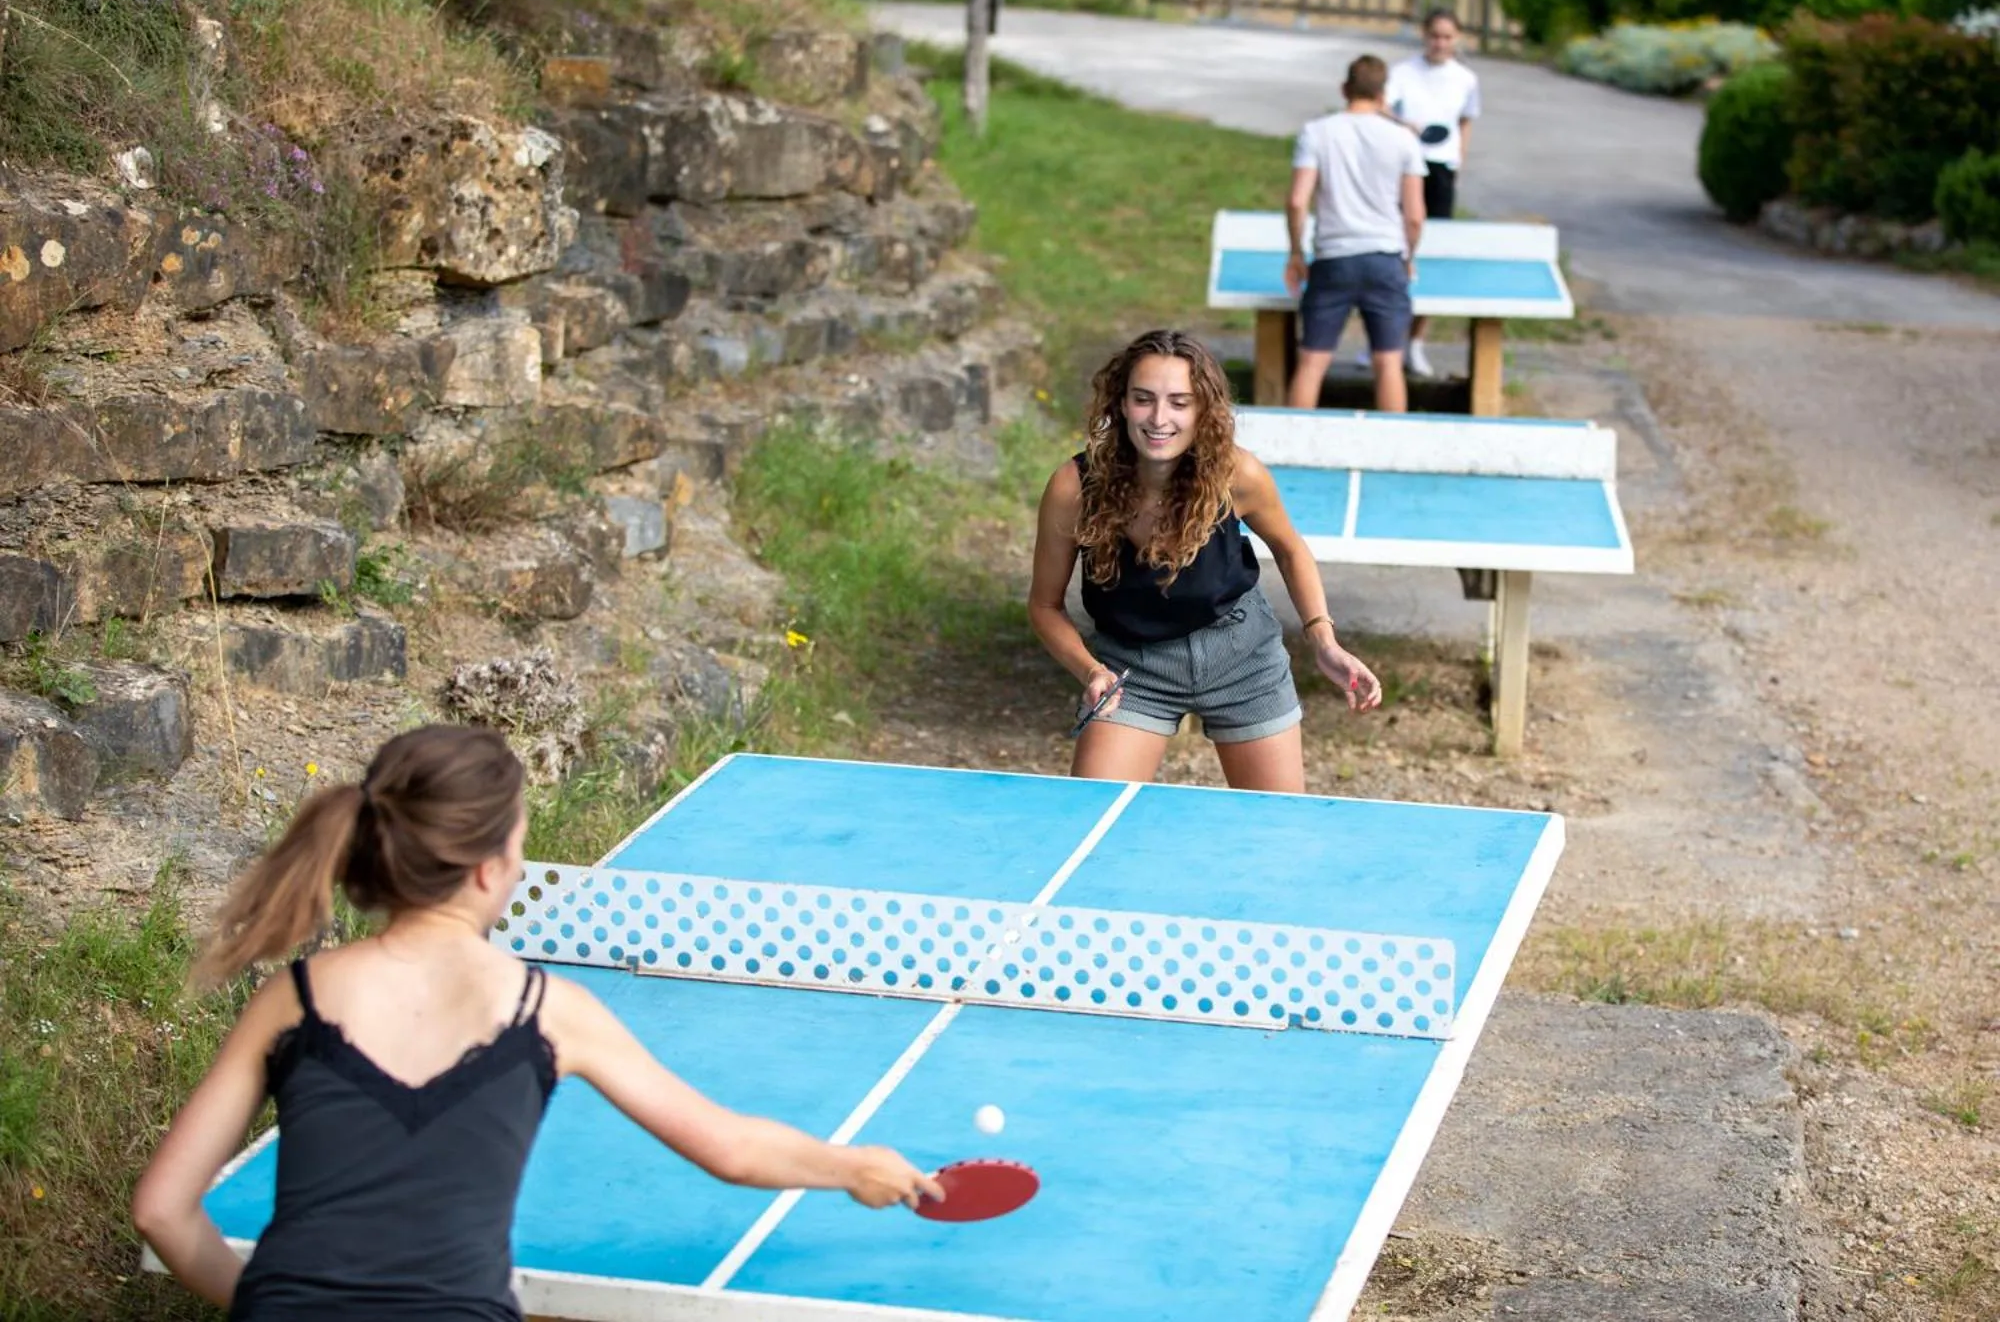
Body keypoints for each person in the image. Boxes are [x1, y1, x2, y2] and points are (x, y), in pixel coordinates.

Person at [132, 724, 942, 1321]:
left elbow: (160, 1209)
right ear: (490, 869)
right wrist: (852, 1165)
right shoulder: (547, 1010)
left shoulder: (294, 996)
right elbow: (730, 1148)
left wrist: (272, 1302)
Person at [1028, 330, 1384, 793]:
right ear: (1121, 403)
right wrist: (1090, 670)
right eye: (1143, 399)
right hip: (1132, 667)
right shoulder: (1074, 488)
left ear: (1203, 410)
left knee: (1273, 825)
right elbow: (1045, 606)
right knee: (1093, 814)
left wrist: (1323, 639)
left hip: (1242, 656)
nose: (1160, 418)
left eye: (1179, 402)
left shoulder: (1236, 474)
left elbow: (1290, 548)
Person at [1283, 55, 1428, 414]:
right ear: (1383, 94)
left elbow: (1297, 201)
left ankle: (1292, 442)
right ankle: (1394, 445)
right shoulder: (1404, 139)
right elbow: (1414, 217)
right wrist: (1408, 257)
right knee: (1389, 364)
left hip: (1333, 260)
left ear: (1344, 89)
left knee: (1312, 362)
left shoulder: (1316, 132)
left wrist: (1296, 253)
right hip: (1385, 258)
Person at [1387, 9, 1482, 378]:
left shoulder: (1466, 79)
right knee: (1393, 250)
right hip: (1406, 166)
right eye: (1435, 35)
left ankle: (1416, 342)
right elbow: (1381, 107)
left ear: (1457, 39)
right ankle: (1384, 340)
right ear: (1424, 35)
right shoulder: (1402, 72)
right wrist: (1404, 124)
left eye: (1447, 37)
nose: (1440, 43)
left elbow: (1466, 121)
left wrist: (1459, 159)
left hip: (1442, 169)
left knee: (1429, 252)